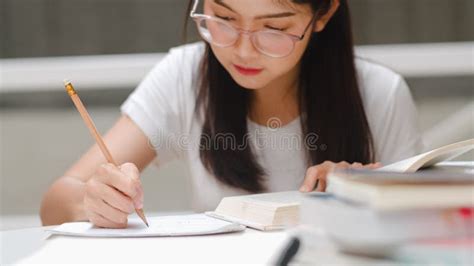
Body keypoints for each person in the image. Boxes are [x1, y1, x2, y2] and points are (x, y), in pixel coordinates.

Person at [40, 0, 423, 228]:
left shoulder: (380, 94)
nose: (242, 50)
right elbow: (56, 202)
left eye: (273, 27)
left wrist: (368, 193)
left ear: (322, 15)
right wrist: (91, 202)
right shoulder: (183, 77)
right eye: (222, 19)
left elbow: (425, 227)